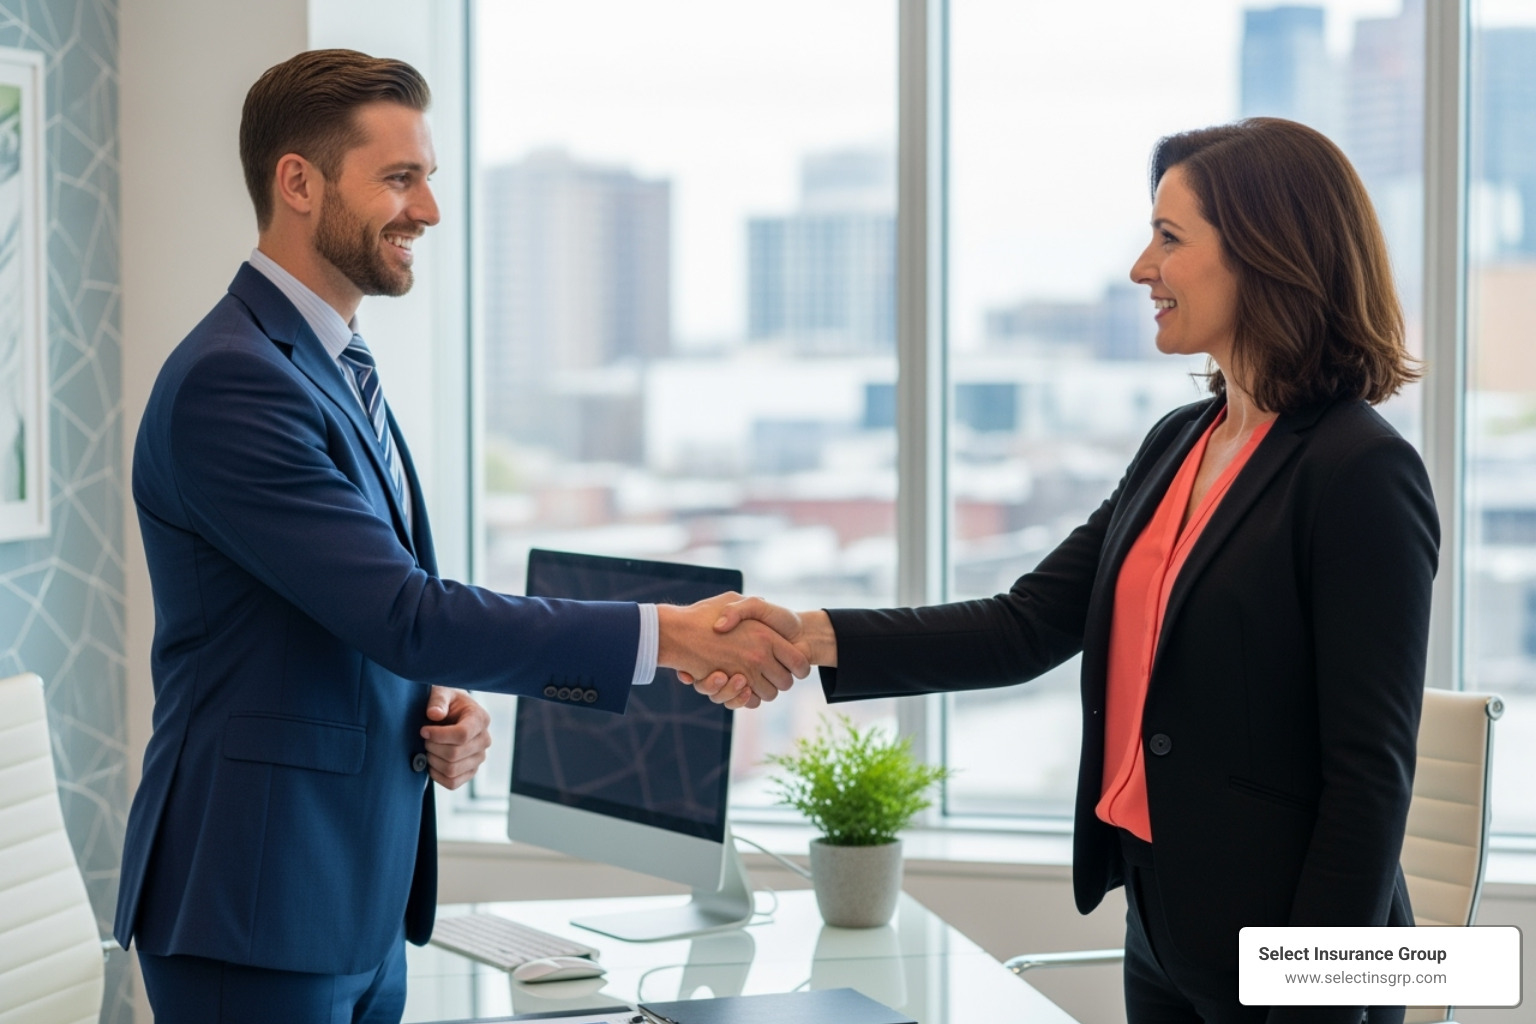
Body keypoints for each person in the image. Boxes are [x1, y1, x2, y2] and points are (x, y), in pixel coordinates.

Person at [690, 118, 1437, 1024]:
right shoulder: (1179, 443)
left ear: (1265, 254)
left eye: (1170, 238)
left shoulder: (1360, 470)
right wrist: (807, 636)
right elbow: (1025, 625)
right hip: (1163, 920)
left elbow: (1369, 782)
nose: (1141, 268)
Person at [116, 49, 804, 1023]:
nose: (430, 210)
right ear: (299, 183)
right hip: (257, 899)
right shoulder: (234, 380)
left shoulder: (329, 364)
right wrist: (670, 635)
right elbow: (406, 613)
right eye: (401, 178)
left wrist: (431, 707)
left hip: (356, 899)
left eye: (428, 177)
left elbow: (345, 616)